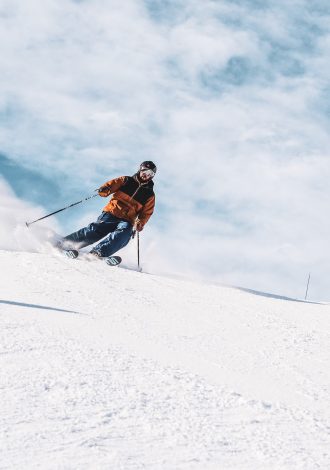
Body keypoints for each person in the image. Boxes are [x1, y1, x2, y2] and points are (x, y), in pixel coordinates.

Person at [58, 161, 156, 258]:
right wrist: (105, 189)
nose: (146, 175)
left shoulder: (149, 195)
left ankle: (98, 252)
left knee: (124, 234)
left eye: (150, 173)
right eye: (144, 171)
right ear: (140, 170)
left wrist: (140, 223)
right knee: (96, 230)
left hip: (128, 219)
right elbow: (112, 184)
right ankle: (66, 243)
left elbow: (146, 213)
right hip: (112, 212)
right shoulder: (126, 180)